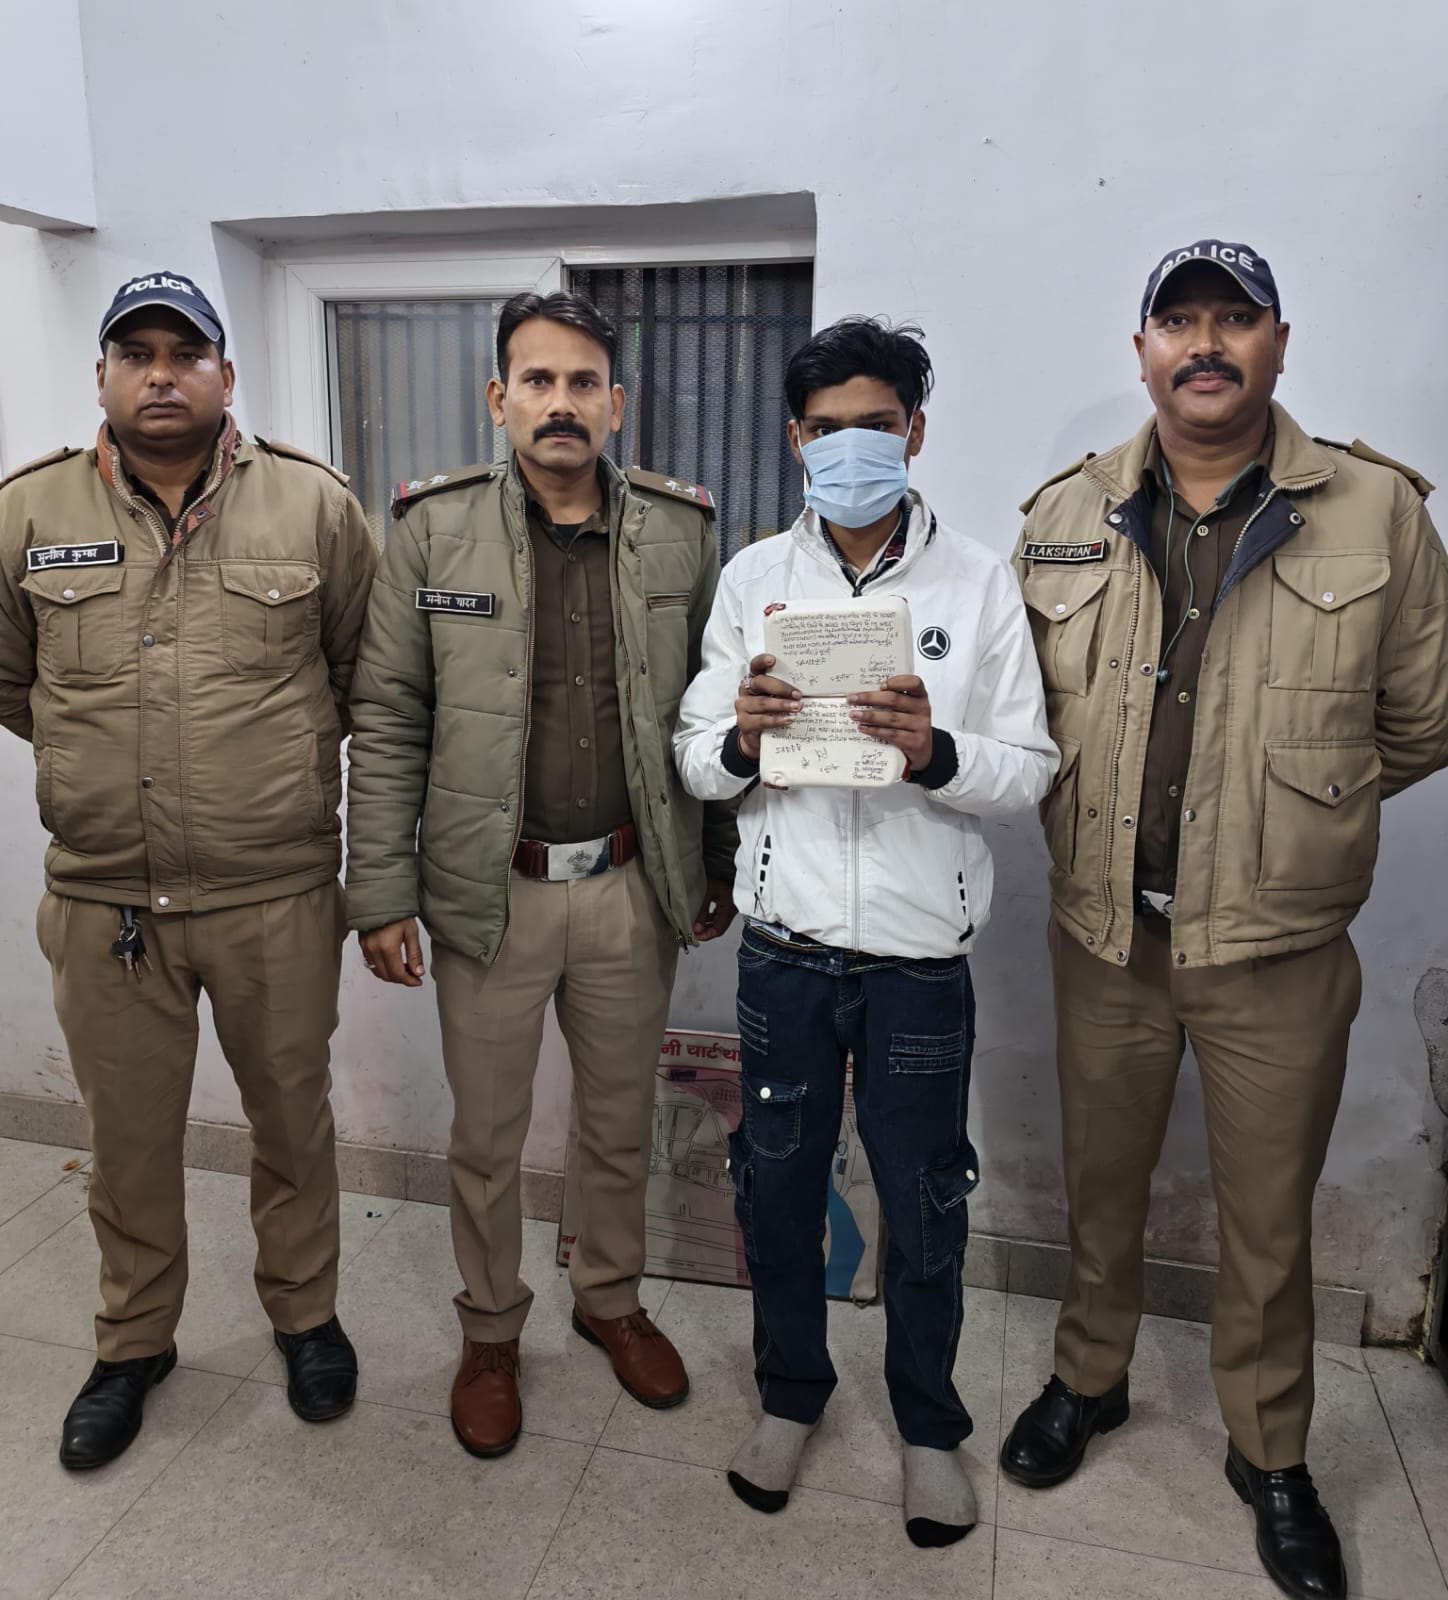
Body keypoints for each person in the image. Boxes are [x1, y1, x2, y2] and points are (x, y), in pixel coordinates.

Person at [1000, 240, 1448, 1600]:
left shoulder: (1375, 513)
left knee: (1267, 1217)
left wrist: (1292, 818)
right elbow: (1019, 713)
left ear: (1277, 343)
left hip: (1278, 952)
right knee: (1101, 1185)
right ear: (1141, 350)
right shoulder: (1063, 512)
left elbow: (1421, 721)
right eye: (1178, 320)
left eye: (1233, 319)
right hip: (1106, 938)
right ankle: (1090, 1378)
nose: (1205, 343)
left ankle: (1271, 1452)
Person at [674, 317, 1057, 1546]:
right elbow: (693, 759)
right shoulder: (752, 578)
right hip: (782, 952)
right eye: (828, 428)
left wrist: (933, 751)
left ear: (915, 432)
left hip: (915, 962)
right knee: (775, 1188)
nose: (852, 447)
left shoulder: (976, 583)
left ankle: (928, 1427)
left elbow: (1028, 768)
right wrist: (741, 736)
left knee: (924, 1202)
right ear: (796, 439)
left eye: (876, 425)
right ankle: (791, 1395)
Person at [345, 289, 738, 1459]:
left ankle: (608, 1298)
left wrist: (711, 863)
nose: (559, 403)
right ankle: (488, 1327)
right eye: (536, 380)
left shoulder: (679, 532)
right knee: (486, 1133)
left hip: (630, 884)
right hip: (488, 892)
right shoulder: (431, 530)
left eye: (581, 383)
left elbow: (714, 711)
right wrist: (380, 893)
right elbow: (388, 714)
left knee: (618, 1122)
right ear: (498, 397)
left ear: (615, 403)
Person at [0, 271, 378, 1468]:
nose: (160, 374)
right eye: (137, 354)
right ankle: (133, 1342)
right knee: (125, 1138)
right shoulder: (27, 509)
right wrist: (94, 759)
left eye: (184, 352)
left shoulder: (312, 505)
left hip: (274, 896)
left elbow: (362, 675)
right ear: (102, 375)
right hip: (106, 897)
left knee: (291, 1121)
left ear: (226, 372)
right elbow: (14, 684)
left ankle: (305, 1317)